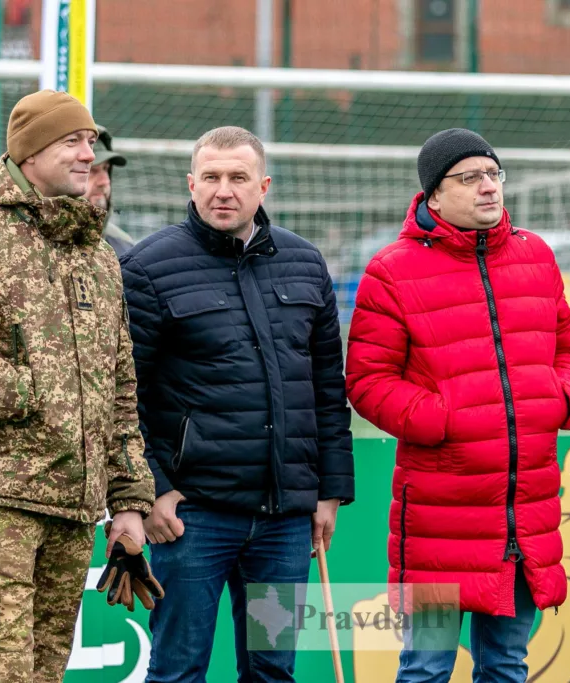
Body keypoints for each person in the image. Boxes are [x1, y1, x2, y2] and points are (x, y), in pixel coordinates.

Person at [0, 90, 156, 683]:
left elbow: (119, 387)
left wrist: (129, 502)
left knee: (44, 675)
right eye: (73, 140)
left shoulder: (97, 256)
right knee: (1, 675)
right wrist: (30, 391)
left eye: (90, 141)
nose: (88, 154)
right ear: (31, 151)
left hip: (73, 510)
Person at [345, 128, 570, 683]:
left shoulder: (536, 255)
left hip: (523, 518)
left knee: (506, 666)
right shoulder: (391, 270)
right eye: (469, 177)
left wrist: (561, 399)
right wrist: (446, 420)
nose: (487, 187)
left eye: (493, 174)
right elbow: (367, 380)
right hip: (437, 516)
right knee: (425, 670)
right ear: (433, 195)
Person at [120, 125, 355, 682]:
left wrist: (330, 491)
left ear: (263, 186)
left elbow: (327, 386)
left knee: (273, 672)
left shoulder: (305, 263)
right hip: (192, 518)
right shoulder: (147, 268)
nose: (224, 190)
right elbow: (122, 394)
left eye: (238, 177)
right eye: (212, 177)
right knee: (179, 671)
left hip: (285, 520)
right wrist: (152, 489)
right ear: (192, 184)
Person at [83, 124, 135, 256]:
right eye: (93, 170)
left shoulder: (123, 246)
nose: (104, 181)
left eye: (106, 169)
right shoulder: (35, 240)